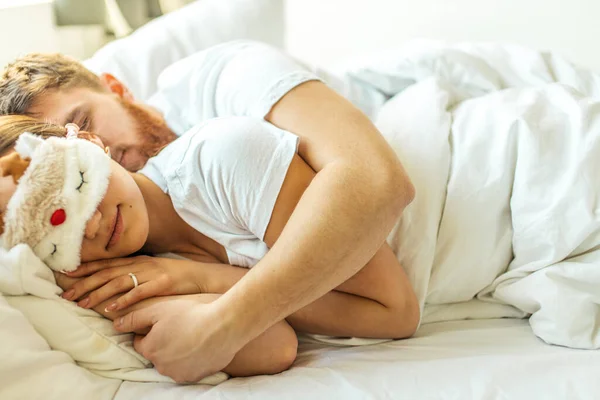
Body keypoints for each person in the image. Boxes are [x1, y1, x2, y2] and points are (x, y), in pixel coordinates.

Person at [0, 41, 415, 382]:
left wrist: (212, 294)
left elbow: (376, 179)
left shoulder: (219, 104)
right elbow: (276, 344)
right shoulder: (127, 253)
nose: (86, 221)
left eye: (72, 179)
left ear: (87, 138)